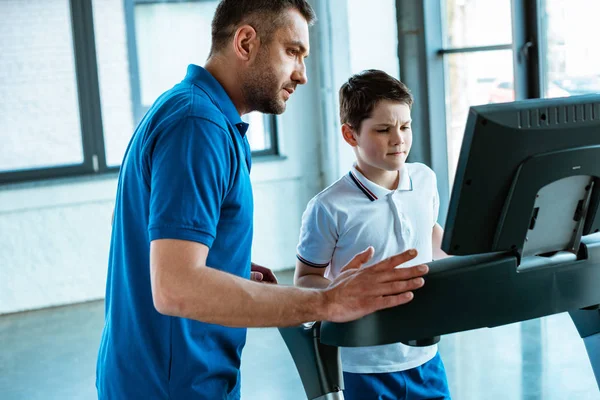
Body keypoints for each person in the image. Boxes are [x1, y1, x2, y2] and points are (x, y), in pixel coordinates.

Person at [295, 69, 451, 400]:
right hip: (363, 366)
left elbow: (430, 233)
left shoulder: (424, 180)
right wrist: (340, 287)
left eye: (405, 126)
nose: (399, 139)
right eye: (383, 130)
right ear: (351, 135)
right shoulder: (328, 207)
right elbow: (305, 278)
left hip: (425, 358)